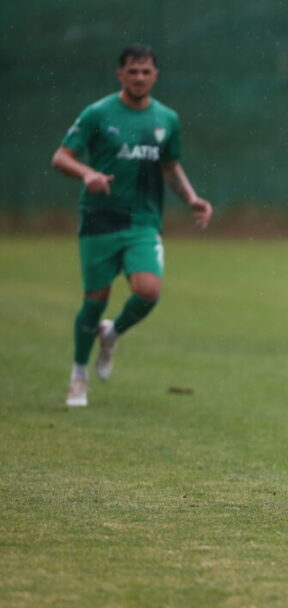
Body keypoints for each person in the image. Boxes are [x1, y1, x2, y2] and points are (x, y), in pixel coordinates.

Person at [52, 44, 213, 407]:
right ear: (120, 74)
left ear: (155, 75)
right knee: (95, 301)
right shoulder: (98, 113)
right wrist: (88, 173)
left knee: (148, 291)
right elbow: (61, 157)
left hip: (143, 220)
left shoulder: (166, 119)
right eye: (132, 71)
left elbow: (170, 166)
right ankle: (78, 375)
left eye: (146, 72)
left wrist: (191, 199)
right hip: (99, 219)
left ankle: (112, 333)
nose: (139, 77)